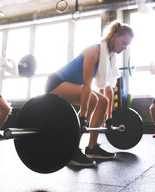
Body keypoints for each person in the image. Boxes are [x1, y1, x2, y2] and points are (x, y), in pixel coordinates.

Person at [45, 20, 134, 167]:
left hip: (72, 85)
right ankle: (72, 151)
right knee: (92, 100)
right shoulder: (95, 51)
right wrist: (83, 116)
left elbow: (109, 89)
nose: (125, 48)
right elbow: (87, 85)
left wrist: (109, 117)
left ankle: (92, 147)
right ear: (115, 36)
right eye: (124, 43)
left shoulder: (110, 58)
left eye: (127, 45)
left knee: (103, 101)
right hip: (56, 83)